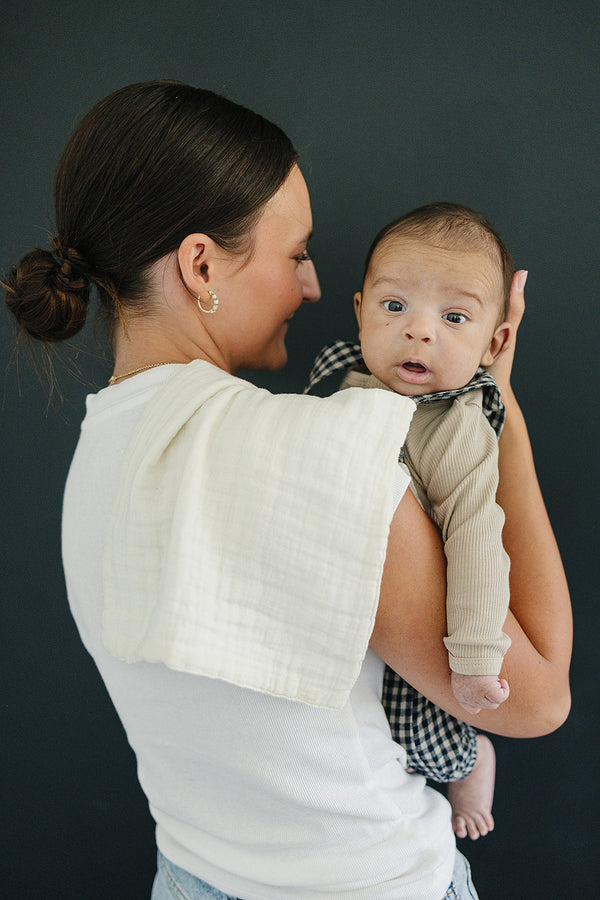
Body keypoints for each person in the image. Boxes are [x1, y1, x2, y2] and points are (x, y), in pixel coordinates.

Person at [4, 81, 571, 900]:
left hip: (190, 877)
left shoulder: (101, 451)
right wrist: (495, 404)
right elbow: (539, 696)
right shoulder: (316, 453)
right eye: (295, 252)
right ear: (202, 265)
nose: (311, 286)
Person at [307, 203, 517, 839]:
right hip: (342, 599)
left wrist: (478, 654)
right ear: (360, 309)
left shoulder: (456, 427)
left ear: (494, 343)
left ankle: (473, 763)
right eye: (394, 307)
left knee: (430, 736)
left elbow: (479, 539)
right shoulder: (340, 383)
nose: (419, 332)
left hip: (427, 613)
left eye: (454, 318)